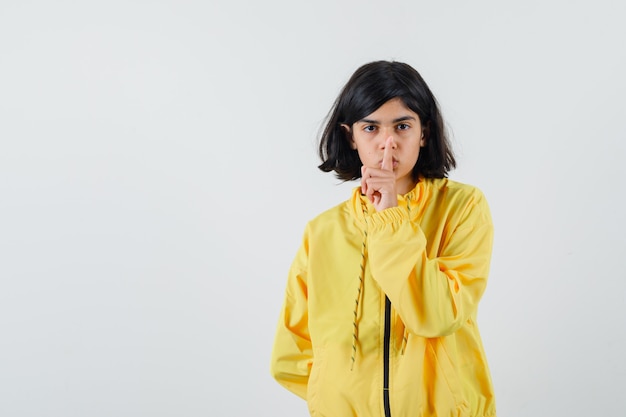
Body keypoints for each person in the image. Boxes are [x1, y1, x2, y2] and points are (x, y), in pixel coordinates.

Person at [270, 60, 496, 417]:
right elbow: (291, 352)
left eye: (402, 126)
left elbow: (437, 316)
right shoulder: (323, 231)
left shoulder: (463, 207)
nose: (387, 143)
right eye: (371, 127)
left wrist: (390, 215)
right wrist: (336, 398)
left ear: (424, 133)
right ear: (350, 136)